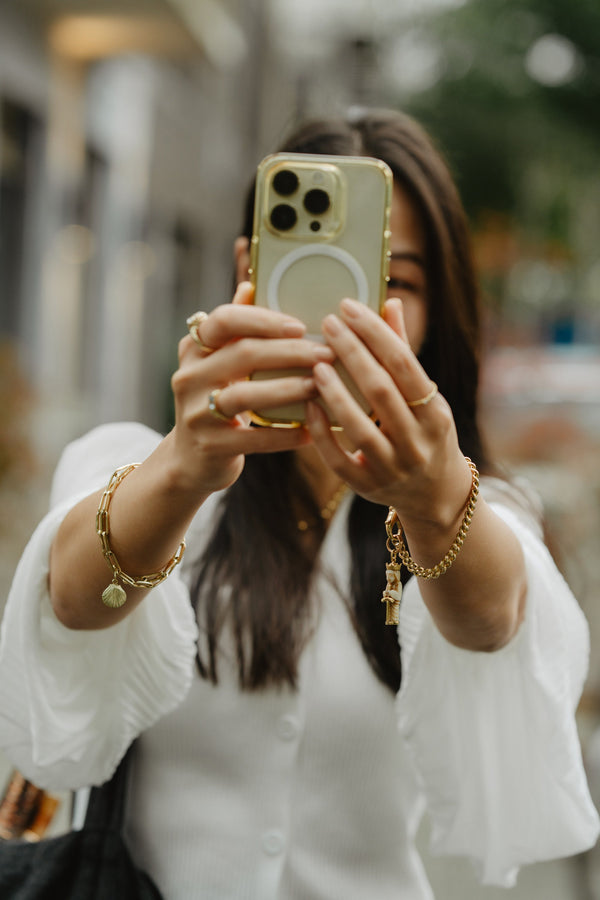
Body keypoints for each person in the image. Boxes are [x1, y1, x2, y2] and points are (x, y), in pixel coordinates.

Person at [0, 108, 598, 899]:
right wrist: (184, 467)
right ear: (251, 268)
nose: (355, 310)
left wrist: (431, 499)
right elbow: (72, 601)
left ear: (440, 311)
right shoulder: (138, 468)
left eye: (400, 283)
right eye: (331, 267)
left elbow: (494, 620)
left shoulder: (476, 510)